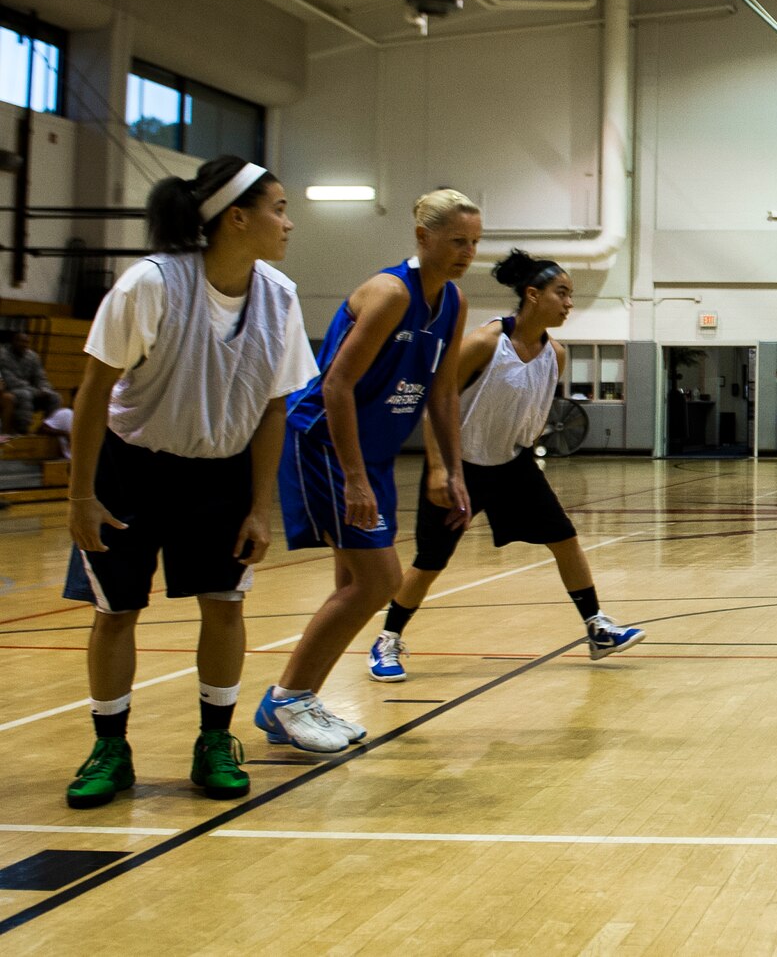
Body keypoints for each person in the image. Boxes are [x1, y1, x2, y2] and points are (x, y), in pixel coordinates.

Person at [59, 157, 316, 808]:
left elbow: (273, 406)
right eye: (278, 208)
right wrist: (80, 493)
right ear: (237, 217)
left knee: (225, 605)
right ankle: (110, 745)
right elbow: (94, 390)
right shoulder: (150, 283)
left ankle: (214, 742)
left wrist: (262, 507)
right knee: (117, 611)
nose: (288, 223)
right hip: (131, 467)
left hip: (222, 472)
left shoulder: (280, 296)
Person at [259, 189, 478, 753]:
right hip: (327, 444)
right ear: (423, 237)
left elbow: (443, 390)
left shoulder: (453, 302)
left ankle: (304, 698)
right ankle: (286, 699)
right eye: (457, 241)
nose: (466, 252)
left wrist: (451, 468)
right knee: (378, 580)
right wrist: (355, 477)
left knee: (354, 582)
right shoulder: (388, 294)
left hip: (372, 452)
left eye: (474, 242)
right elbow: (336, 384)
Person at [366, 250, 642, 680]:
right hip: (461, 468)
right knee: (431, 561)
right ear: (532, 295)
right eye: (562, 293)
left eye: (571, 295)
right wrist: (441, 470)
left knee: (565, 539)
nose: (569, 303)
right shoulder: (483, 343)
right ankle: (387, 640)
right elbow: (434, 405)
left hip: (512, 464)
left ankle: (597, 627)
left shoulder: (557, 354)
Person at [0, 327, 62, 432]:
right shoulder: (2, 354)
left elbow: (40, 377)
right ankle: (22, 430)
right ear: (13, 341)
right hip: (11, 390)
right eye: (21, 341)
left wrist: (44, 388)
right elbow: (9, 380)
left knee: (55, 397)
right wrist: (35, 391)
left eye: (26, 342)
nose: (24, 344)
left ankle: (47, 428)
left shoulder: (33, 356)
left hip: (31, 390)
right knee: (24, 394)